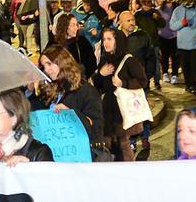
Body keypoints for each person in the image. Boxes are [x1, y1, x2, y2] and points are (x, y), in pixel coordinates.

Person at [92, 27, 147, 162]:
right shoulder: (105, 59)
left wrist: (123, 83)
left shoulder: (128, 60)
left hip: (122, 109)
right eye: (104, 39)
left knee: (122, 143)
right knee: (108, 143)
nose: (106, 43)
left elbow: (142, 81)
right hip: (107, 108)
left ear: (118, 40)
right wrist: (100, 74)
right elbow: (98, 86)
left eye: (109, 39)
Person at [35, 45, 105, 145]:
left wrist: (71, 114)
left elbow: (97, 129)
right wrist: (29, 92)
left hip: (79, 153)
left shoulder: (86, 91)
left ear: (62, 62)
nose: (46, 70)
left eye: (49, 64)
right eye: (43, 66)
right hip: (55, 150)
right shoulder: (48, 90)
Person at [119, 11, 157, 150]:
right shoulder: (117, 38)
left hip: (141, 82)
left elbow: (151, 57)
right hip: (124, 84)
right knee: (129, 112)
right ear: (120, 23)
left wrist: (147, 76)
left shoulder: (143, 36)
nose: (131, 23)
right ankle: (132, 140)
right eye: (128, 20)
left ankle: (145, 137)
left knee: (143, 111)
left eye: (133, 20)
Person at [170, 1, 196, 93]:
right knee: (185, 67)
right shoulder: (177, 10)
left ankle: (194, 85)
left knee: (194, 67)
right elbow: (172, 26)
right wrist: (181, 23)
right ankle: (188, 84)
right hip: (182, 45)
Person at [53, 13, 97, 79]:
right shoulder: (54, 43)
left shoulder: (82, 42)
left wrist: (79, 71)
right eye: (73, 25)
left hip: (77, 81)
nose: (77, 28)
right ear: (65, 26)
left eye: (77, 24)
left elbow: (92, 64)